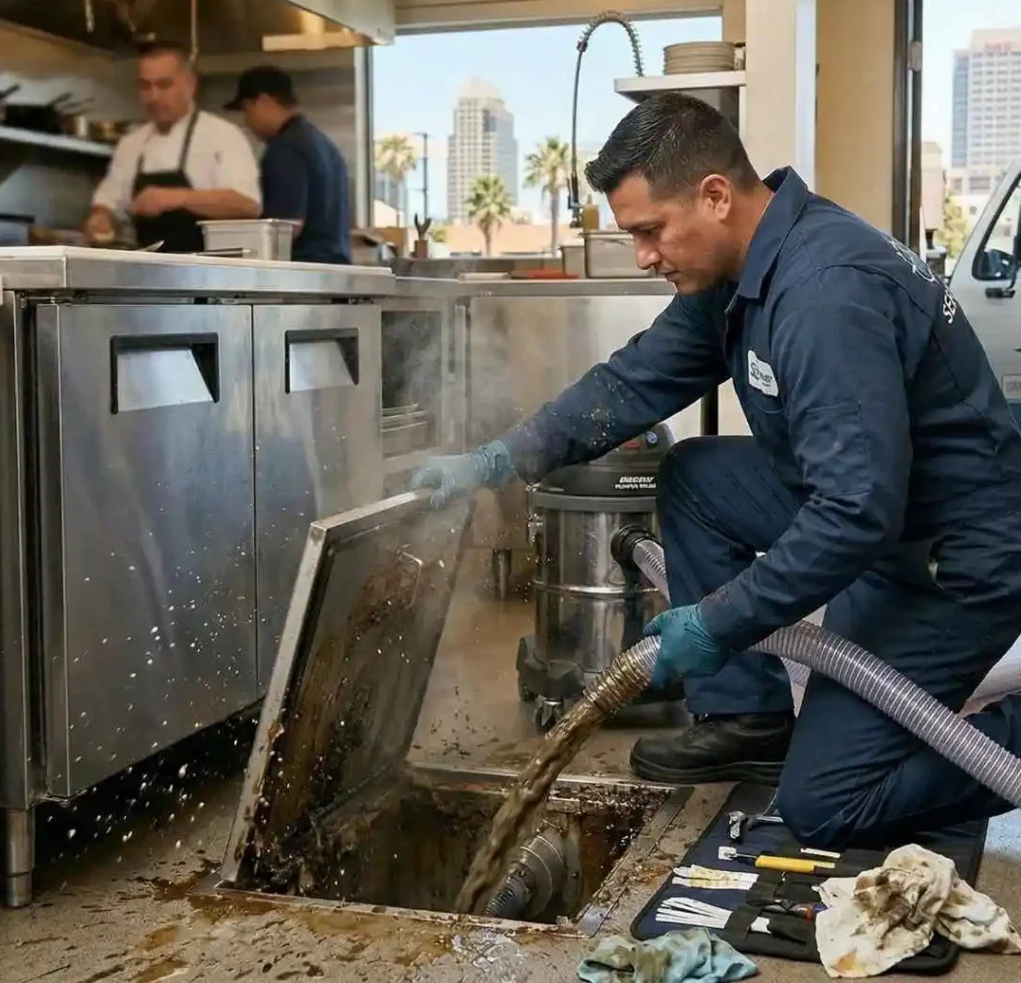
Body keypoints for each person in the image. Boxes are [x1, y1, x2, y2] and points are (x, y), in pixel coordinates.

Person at [412, 93, 1021, 851]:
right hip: (881, 518)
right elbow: (630, 384)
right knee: (696, 477)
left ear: (715, 196)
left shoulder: (826, 293)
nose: (643, 255)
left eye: (649, 230)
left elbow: (854, 511)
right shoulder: (743, 270)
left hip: (955, 558)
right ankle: (749, 717)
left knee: (828, 801)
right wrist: (502, 457)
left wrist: (718, 621)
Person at [85, 41, 261, 253]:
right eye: (145, 86)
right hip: (147, 273)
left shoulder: (222, 136)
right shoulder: (131, 144)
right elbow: (108, 202)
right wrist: (101, 219)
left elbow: (248, 204)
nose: (154, 97)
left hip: (206, 275)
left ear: (190, 84)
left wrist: (177, 198)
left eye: (164, 85)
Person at [224, 65, 352, 264]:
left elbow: (285, 228)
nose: (246, 122)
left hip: (305, 272)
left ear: (264, 101)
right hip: (333, 270)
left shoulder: (286, 147)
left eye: (246, 110)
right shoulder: (321, 143)